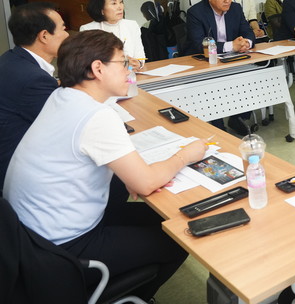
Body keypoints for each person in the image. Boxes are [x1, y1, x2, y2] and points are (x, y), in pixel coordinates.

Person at [3, 30, 207, 302]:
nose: (129, 70)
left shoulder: (62, 96)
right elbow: (146, 183)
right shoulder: (95, 115)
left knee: (165, 220)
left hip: (31, 238)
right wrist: (185, 156)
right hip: (62, 250)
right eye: (122, 62)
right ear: (98, 69)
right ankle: (135, 297)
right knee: (180, 237)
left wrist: (133, 177)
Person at [0, 2, 68, 190]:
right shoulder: (33, 79)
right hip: (20, 175)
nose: (67, 35)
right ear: (44, 36)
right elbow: (67, 129)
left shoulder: (11, 58)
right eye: (63, 28)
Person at [185, 0, 255, 132]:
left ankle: (238, 118)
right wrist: (232, 46)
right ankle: (218, 126)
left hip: (230, 60)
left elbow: (248, 32)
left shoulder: (235, 9)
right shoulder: (195, 13)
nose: (228, 0)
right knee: (212, 85)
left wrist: (246, 43)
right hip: (203, 62)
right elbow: (200, 44)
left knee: (252, 77)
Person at [80, 0, 146, 69]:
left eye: (120, 2)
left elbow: (140, 58)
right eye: (114, 3)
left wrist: (138, 63)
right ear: (101, 9)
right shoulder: (88, 30)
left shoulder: (131, 25)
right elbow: (88, 64)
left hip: (129, 74)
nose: (120, 7)